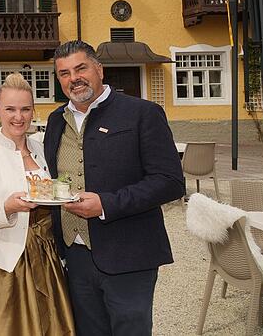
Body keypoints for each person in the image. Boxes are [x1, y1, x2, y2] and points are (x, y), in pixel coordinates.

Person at [43, 40, 184, 336]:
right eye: (64, 73)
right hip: (76, 252)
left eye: (81, 68)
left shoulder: (142, 113)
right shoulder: (56, 121)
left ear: (99, 69)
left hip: (129, 252)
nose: (74, 78)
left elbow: (170, 182)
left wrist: (106, 204)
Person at [0, 73, 74, 336]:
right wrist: (7, 209)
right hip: (2, 263)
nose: (18, 117)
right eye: (10, 109)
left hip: (46, 260)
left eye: (25, 109)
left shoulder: (44, 149)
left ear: (33, 110)